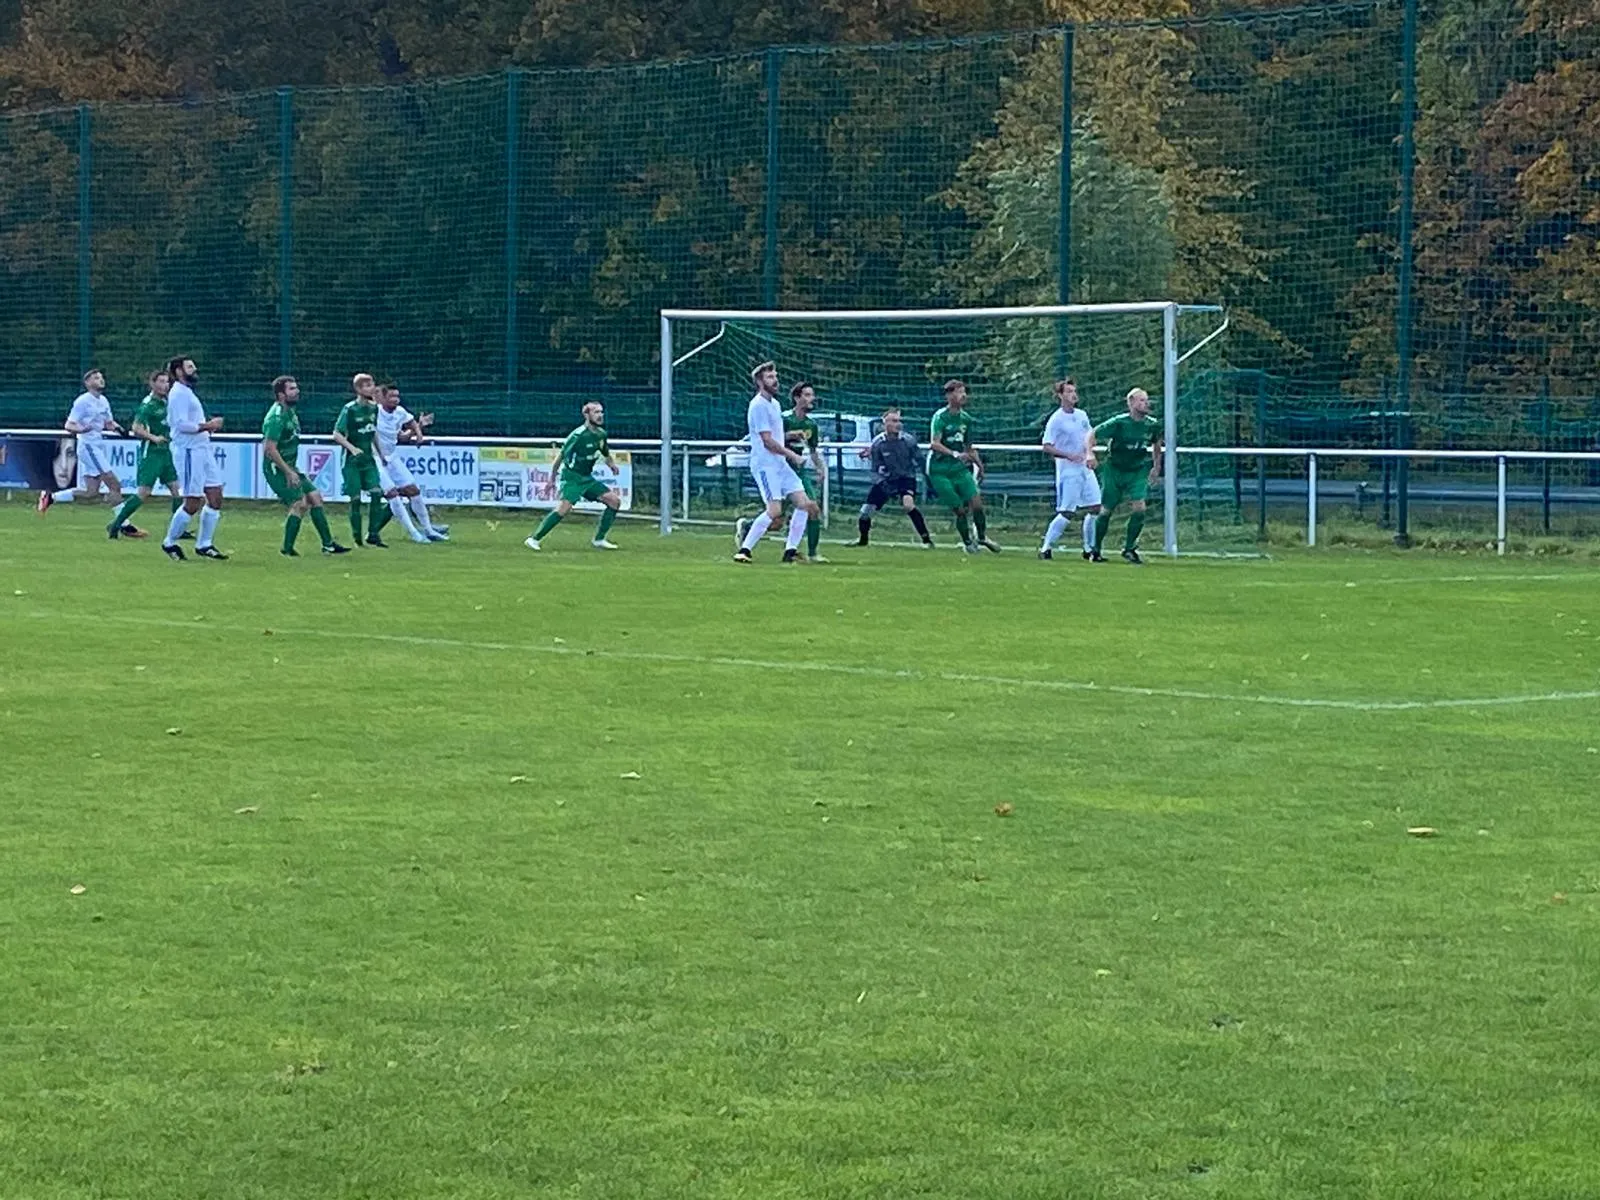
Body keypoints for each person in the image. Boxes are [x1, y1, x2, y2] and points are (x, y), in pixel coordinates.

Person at [734, 361, 819, 564]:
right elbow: (767, 441)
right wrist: (793, 456)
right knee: (775, 511)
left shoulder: (775, 404)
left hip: (780, 464)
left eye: (775, 376)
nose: (775, 380)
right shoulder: (758, 406)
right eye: (770, 377)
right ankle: (745, 550)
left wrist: (792, 435)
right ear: (759, 381)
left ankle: (790, 552)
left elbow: (777, 436)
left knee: (805, 504)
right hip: (766, 465)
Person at [262, 376, 351, 557]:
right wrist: (288, 472)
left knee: (315, 497)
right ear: (281, 395)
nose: (297, 391)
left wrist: (292, 469)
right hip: (276, 468)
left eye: (296, 388)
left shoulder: (290, 412)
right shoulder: (276, 417)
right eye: (292, 389)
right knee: (299, 503)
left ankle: (328, 545)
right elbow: (269, 449)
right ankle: (287, 549)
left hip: (290, 466)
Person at [38, 369, 133, 526]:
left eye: (101, 377)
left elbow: (108, 423)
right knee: (114, 484)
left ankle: (51, 497)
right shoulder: (83, 401)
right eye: (96, 378)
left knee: (91, 492)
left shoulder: (103, 401)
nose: (101, 380)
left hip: (97, 446)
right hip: (89, 447)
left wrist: (121, 430)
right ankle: (124, 524)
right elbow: (69, 425)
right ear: (87, 383)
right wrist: (82, 429)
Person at [525, 401, 622, 550]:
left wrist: (612, 465)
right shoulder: (578, 435)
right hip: (572, 477)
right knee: (564, 508)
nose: (600, 415)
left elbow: (605, 452)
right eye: (596, 412)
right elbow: (560, 458)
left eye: (601, 412)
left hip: (586, 478)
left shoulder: (601, 434)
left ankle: (599, 539)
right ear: (586, 415)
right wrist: (551, 480)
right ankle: (534, 539)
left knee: (614, 501)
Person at [160, 356, 228, 561]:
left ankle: (204, 544)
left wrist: (206, 428)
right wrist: (208, 425)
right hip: (189, 451)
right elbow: (180, 424)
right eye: (189, 367)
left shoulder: (187, 392)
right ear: (179, 371)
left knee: (215, 496)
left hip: (202, 448)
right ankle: (169, 542)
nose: (194, 369)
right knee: (192, 502)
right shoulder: (178, 394)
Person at [1090, 387, 1164, 565]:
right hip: (1114, 470)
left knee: (1140, 508)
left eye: (1146, 400)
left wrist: (1156, 467)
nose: (1146, 403)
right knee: (1106, 511)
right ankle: (1096, 549)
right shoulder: (1119, 422)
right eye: (1141, 400)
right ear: (1131, 403)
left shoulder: (1152, 424)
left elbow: (1157, 444)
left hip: (1137, 471)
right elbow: (1092, 434)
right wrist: (1089, 454)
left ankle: (1129, 548)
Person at [107, 369, 182, 540]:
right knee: (144, 492)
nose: (165, 385)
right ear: (152, 384)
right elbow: (136, 428)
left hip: (166, 453)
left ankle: (178, 529)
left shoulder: (167, 402)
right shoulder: (147, 405)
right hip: (151, 454)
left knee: (177, 490)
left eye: (167, 382)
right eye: (161, 382)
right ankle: (116, 525)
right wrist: (154, 438)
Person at [928, 379, 1000, 553]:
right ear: (949, 395)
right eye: (959, 392)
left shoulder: (966, 419)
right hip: (939, 470)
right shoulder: (940, 417)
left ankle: (982, 537)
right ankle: (967, 542)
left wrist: (980, 465)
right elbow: (935, 444)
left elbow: (969, 447)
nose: (963, 395)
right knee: (959, 510)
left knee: (977, 504)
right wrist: (954, 454)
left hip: (958, 469)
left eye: (964, 391)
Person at [1038, 379, 1103, 560]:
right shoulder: (1056, 419)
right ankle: (1046, 548)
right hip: (1069, 471)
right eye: (1068, 391)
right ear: (1060, 395)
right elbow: (1047, 446)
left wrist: (1090, 453)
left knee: (1095, 507)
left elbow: (1090, 436)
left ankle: (1089, 549)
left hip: (1085, 468)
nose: (1073, 395)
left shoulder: (1082, 415)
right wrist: (1068, 455)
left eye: (1074, 391)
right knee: (1067, 511)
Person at [375, 385, 447, 543]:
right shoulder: (375, 412)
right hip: (375, 458)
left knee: (413, 490)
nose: (395, 400)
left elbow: (405, 432)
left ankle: (429, 530)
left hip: (392, 457)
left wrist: (419, 431)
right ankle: (414, 533)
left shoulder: (400, 412)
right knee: (393, 494)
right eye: (391, 396)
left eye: (397, 396)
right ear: (383, 398)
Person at [856, 407, 933, 547]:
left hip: (905, 478)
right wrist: (881, 482)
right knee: (866, 511)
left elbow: (920, 461)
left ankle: (926, 539)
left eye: (899, 421)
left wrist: (928, 478)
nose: (898, 424)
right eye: (894, 421)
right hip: (886, 480)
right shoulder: (878, 443)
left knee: (908, 505)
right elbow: (874, 469)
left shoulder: (908, 441)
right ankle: (863, 540)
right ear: (885, 424)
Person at [333, 374, 388, 547]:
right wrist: (352, 448)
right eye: (367, 385)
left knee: (377, 493)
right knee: (355, 499)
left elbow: (373, 431)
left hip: (368, 460)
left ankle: (373, 534)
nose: (372, 388)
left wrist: (381, 454)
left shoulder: (374, 408)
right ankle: (357, 538)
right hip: (352, 461)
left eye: (372, 384)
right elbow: (337, 434)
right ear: (358, 389)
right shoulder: (350, 409)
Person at [781, 381, 828, 562]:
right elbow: (770, 440)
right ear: (796, 398)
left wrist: (820, 468)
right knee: (776, 517)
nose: (812, 399)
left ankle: (812, 553)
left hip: (798, 471)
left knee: (813, 508)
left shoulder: (811, 425)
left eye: (812, 395)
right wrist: (789, 435)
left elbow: (813, 451)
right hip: (780, 469)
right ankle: (748, 528)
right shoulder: (784, 419)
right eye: (807, 395)